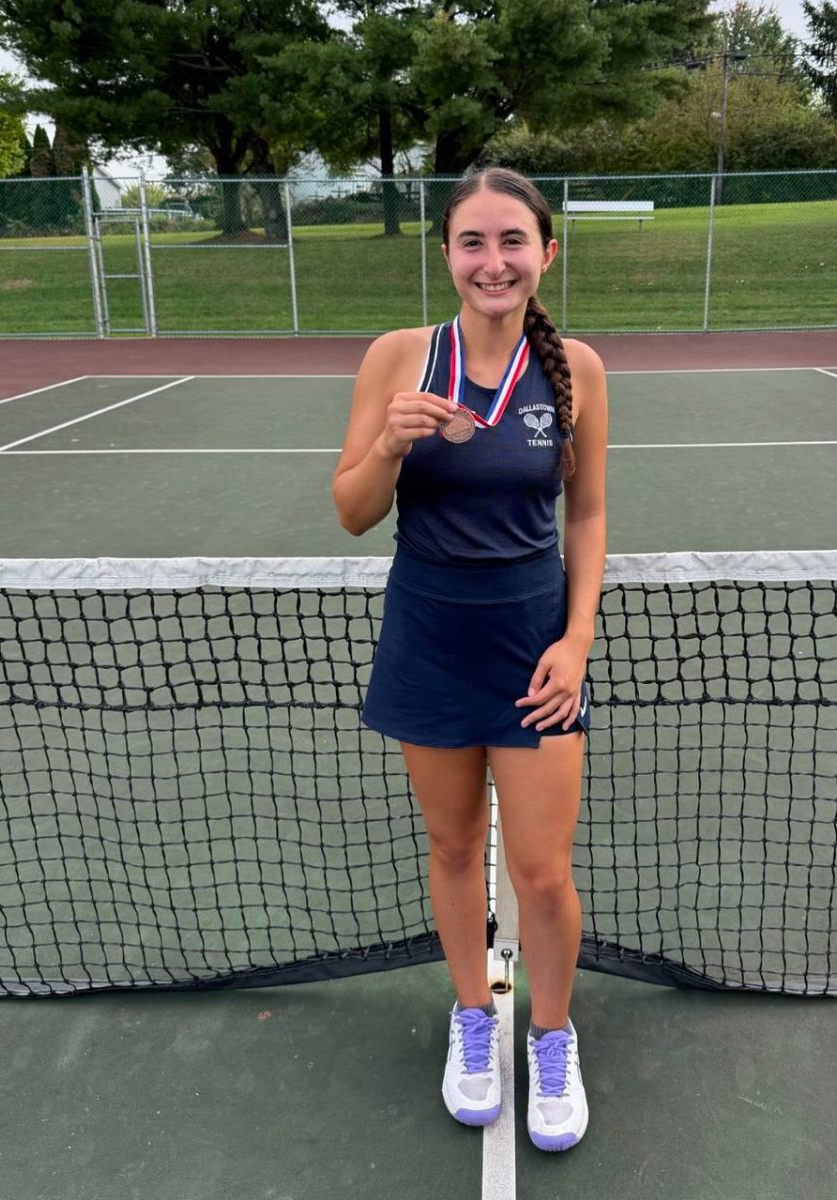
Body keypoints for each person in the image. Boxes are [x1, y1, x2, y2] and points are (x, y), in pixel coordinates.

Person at [332, 167, 608, 1153]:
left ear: (544, 252)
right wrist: (391, 447)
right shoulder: (400, 357)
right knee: (452, 850)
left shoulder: (574, 366)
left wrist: (574, 643)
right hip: (428, 646)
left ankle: (549, 1031)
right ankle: (473, 1017)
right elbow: (353, 510)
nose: (492, 262)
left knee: (538, 873)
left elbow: (585, 512)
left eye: (510, 241)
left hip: (533, 660)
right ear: (445, 254)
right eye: (471, 243)